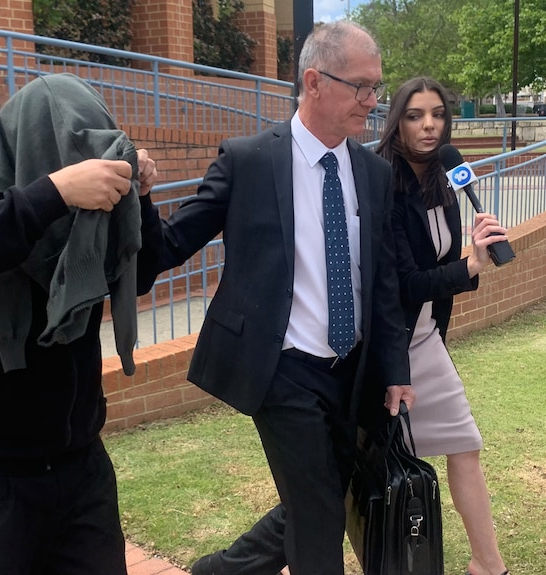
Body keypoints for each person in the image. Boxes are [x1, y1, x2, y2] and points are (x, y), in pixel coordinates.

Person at [150, 21, 415, 575]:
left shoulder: (372, 172)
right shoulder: (248, 161)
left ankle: (221, 571)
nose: (373, 101)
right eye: (361, 87)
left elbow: (383, 281)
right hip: (282, 369)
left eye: (376, 88)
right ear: (314, 82)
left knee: (320, 495)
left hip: (354, 370)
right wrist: (134, 201)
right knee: (319, 513)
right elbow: (174, 242)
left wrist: (395, 368)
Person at [0, 73, 161, 575]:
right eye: (61, 154)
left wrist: (142, 200)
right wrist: (52, 193)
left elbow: (143, 271)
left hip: (77, 457)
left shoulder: (90, 205)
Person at [375, 76, 510, 575]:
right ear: (397, 121)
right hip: (391, 340)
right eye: (415, 115)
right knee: (353, 469)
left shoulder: (445, 178)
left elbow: (436, 266)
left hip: (427, 333)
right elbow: (404, 283)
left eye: (437, 114)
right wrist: (470, 266)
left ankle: (487, 563)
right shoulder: (383, 182)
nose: (429, 125)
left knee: (464, 443)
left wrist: (471, 248)